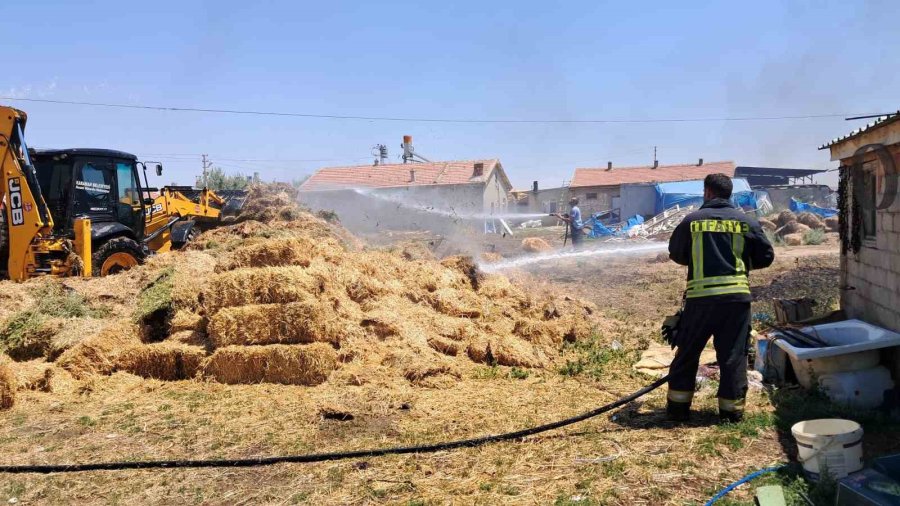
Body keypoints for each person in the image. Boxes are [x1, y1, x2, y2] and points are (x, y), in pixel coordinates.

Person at [666, 174, 774, 423]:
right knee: (733, 356)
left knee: (688, 353)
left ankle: (678, 411)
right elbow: (766, 257)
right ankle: (731, 413)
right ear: (728, 194)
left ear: (707, 192)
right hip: (736, 302)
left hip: (700, 301)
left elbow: (676, 253)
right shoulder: (746, 222)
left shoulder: (691, 221)